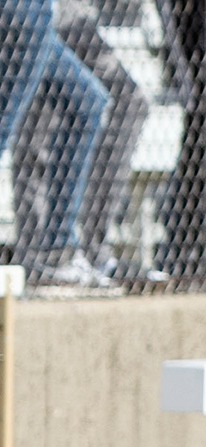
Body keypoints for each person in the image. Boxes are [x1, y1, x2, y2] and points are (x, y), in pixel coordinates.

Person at [13, 0, 151, 289]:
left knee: (112, 103)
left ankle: (82, 251)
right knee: (47, 121)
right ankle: (44, 254)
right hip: (42, 11)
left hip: (73, 13)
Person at [0, 0, 108, 288]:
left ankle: (57, 252)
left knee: (88, 104)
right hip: (26, 11)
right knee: (3, 127)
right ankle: (58, 252)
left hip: (33, 14)